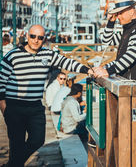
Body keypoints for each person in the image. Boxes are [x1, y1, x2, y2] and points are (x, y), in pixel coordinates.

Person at [0, 24, 93, 167]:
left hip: (35, 106)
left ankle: (12, 164)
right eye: (33, 36)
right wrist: (3, 107)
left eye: (40, 37)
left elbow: (66, 62)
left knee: (38, 140)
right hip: (14, 106)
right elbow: (1, 81)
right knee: (16, 143)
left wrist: (88, 70)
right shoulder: (13, 55)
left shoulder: (48, 55)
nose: (36, 40)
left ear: (44, 39)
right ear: (27, 36)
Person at [92, 0, 136, 93]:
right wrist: (110, 23)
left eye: (120, 13)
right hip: (128, 84)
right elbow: (106, 42)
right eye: (117, 14)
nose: (118, 17)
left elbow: (128, 58)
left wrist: (107, 71)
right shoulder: (128, 31)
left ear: (131, 11)